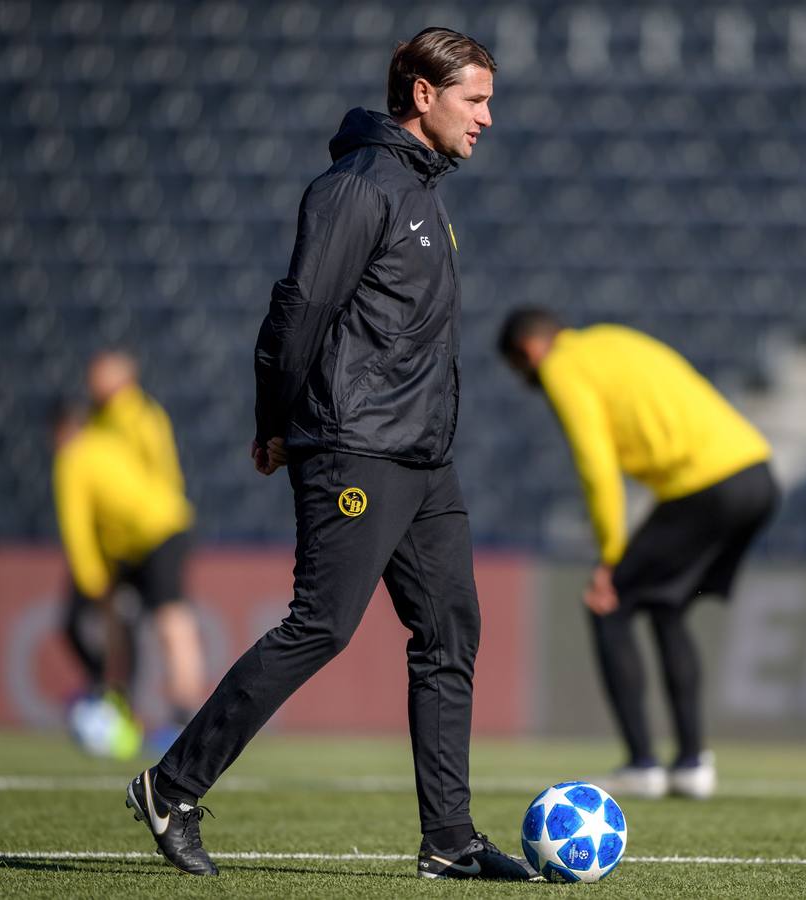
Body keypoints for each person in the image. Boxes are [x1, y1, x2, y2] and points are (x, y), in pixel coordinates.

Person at [123, 28, 538, 881]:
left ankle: (451, 842)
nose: (488, 117)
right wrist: (275, 420)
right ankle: (174, 785)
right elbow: (296, 314)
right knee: (323, 627)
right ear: (423, 96)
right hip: (356, 448)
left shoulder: (422, 191)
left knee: (450, 629)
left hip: (424, 457)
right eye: (476, 99)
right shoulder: (358, 187)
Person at [498, 308, 779, 800]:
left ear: (529, 352)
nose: (531, 383)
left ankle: (642, 764)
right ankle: (692, 764)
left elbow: (596, 464)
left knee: (609, 604)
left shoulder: (562, 368)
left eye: (523, 373)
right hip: (756, 474)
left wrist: (609, 557)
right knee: (668, 607)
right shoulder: (612, 339)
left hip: (704, 485)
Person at [51, 404, 198, 757]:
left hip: (154, 534)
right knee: (147, 622)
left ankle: (172, 719)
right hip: (155, 528)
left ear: (59, 432)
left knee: (168, 620)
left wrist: (92, 582)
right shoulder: (109, 439)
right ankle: (133, 707)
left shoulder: (72, 456)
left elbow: (76, 526)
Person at [85, 350, 205, 732]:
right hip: (124, 544)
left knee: (171, 618)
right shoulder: (98, 421)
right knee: (116, 622)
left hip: (160, 531)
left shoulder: (141, 417)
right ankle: (119, 704)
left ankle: (185, 711)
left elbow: (163, 475)